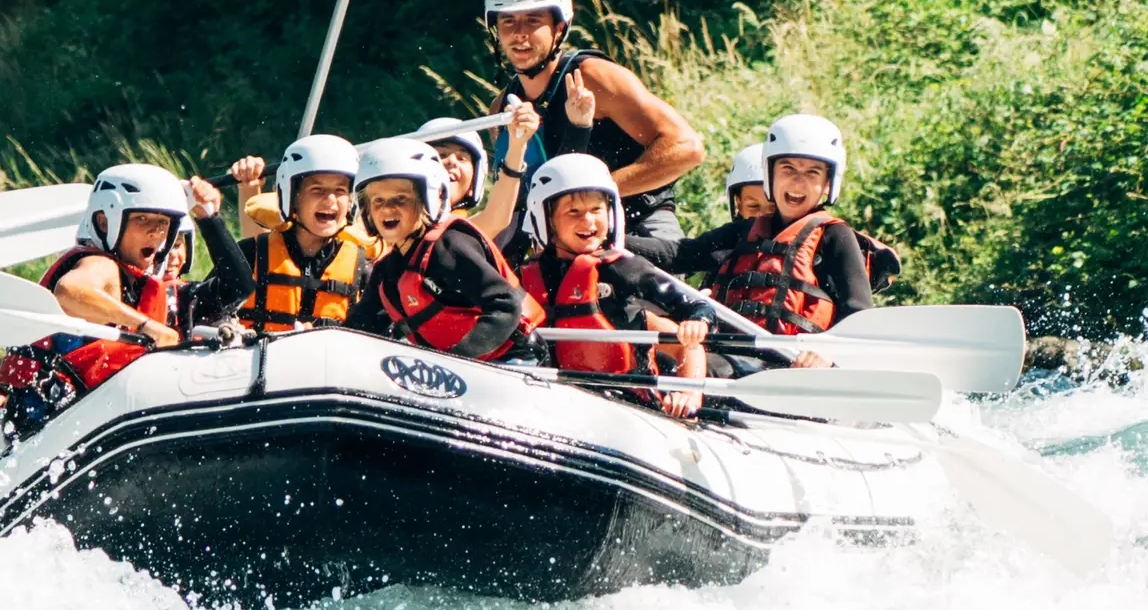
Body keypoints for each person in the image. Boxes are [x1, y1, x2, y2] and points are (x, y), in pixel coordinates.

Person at [0, 166, 248, 431]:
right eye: (142, 220)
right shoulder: (100, 266)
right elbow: (69, 291)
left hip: (103, 422)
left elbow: (238, 287)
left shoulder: (172, 296)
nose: (155, 232)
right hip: (51, 428)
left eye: (163, 223)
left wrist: (208, 217)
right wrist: (147, 326)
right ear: (105, 221)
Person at [482, 0, 704, 256]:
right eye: (508, 22)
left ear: (559, 27)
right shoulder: (501, 108)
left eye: (533, 20)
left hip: (640, 221)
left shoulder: (594, 77)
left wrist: (594, 192)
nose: (520, 33)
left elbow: (687, 148)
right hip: (562, 240)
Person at [638, 115, 899, 344]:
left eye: (812, 173)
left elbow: (858, 312)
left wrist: (829, 349)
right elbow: (677, 253)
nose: (798, 182)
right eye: (788, 169)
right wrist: (609, 239)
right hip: (728, 353)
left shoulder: (835, 236)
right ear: (769, 173)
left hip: (785, 364)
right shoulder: (742, 231)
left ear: (829, 183)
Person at [518, 154, 717, 419]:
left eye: (596, 210)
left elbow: (693, 311)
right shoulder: (527, 274)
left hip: (625, 404)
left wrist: (698, 322)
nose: (588, 221)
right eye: (573, 212)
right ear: (547, 220)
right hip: (552, 399)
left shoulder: (622, 267)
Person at [344, 138, 543, 360]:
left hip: (515, 359)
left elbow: (506, 305)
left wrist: (457, 361)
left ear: (427, 199)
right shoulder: (386, 272)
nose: (388, 208)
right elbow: (358, 329)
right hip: (455, 369)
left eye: (401, 198)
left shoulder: (449, 247)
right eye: (378, 201)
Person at [191, 135, 370, 332]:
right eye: (317, 190)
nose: (330, 199)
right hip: (256, 361)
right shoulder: (251, 253)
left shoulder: (362, 271)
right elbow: (200, 314)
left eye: (340, 190)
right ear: (293, 196)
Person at [419, 101, 540, 246]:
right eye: (442, 154)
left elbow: (497, 217)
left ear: (472, 186)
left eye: (462, 158)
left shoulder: (462, 235)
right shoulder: (390, 224)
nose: (452, 161)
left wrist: (518, 145)